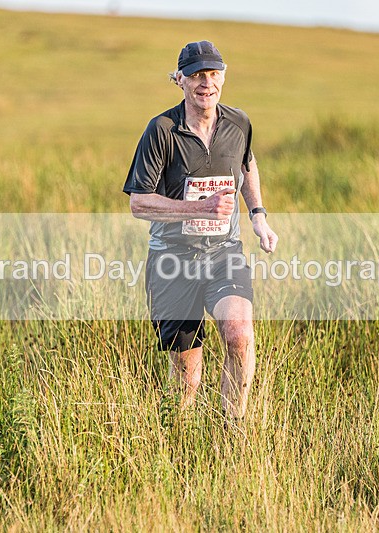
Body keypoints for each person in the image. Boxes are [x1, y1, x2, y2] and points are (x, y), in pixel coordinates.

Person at [123, 40, 278, 420]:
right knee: (187, 377)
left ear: (223, 77)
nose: (205, 83)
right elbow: (139, 202)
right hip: (172, 260)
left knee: (239, 337)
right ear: (179, 80)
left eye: (212, 74)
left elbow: (248, 165)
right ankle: (181, 444)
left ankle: (233, 437)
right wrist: (199, 208)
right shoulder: (161, 130)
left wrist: (257, 214)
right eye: (195, 75)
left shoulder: (238, 122)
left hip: (224, 252)